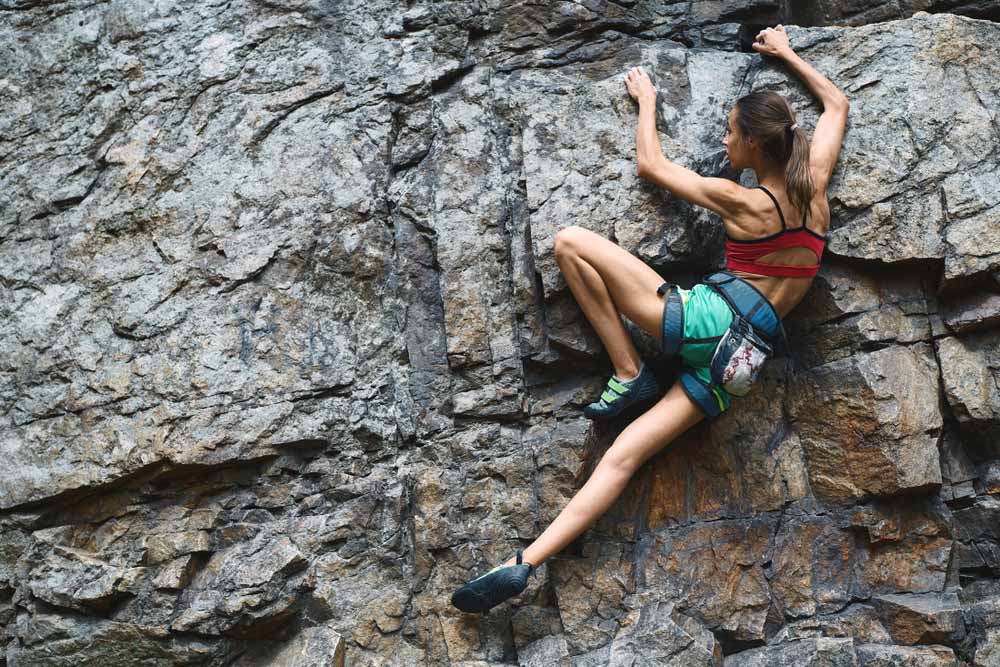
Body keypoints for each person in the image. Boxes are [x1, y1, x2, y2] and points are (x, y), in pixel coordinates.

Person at [451, 24, 849, 614]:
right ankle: (524, 563)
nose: (725, 140)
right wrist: (788, 54)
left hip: (708, 322)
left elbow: (650, 164)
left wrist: (648, 103)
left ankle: (627, 368)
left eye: (732, 134)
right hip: (743, 360)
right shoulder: (814, 182)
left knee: (568, 242)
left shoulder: (744, 201)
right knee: (625, 455)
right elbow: (837, 103)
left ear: (755, 147)